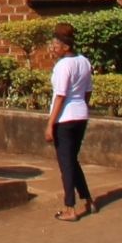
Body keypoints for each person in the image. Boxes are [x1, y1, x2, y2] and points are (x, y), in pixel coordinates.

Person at [43, 23, 96, 221]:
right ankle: (88, 200)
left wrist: (50, 124)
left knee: (66, 164)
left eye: (56, 44)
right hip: (80, 116)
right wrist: (83, 106)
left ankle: (70, 208)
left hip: (65, 119)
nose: (53, 47)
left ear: (66, 46)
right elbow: (88, 90)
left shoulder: (63, 66)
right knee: (72, 161)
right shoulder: (83, 61)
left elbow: (60, 96)